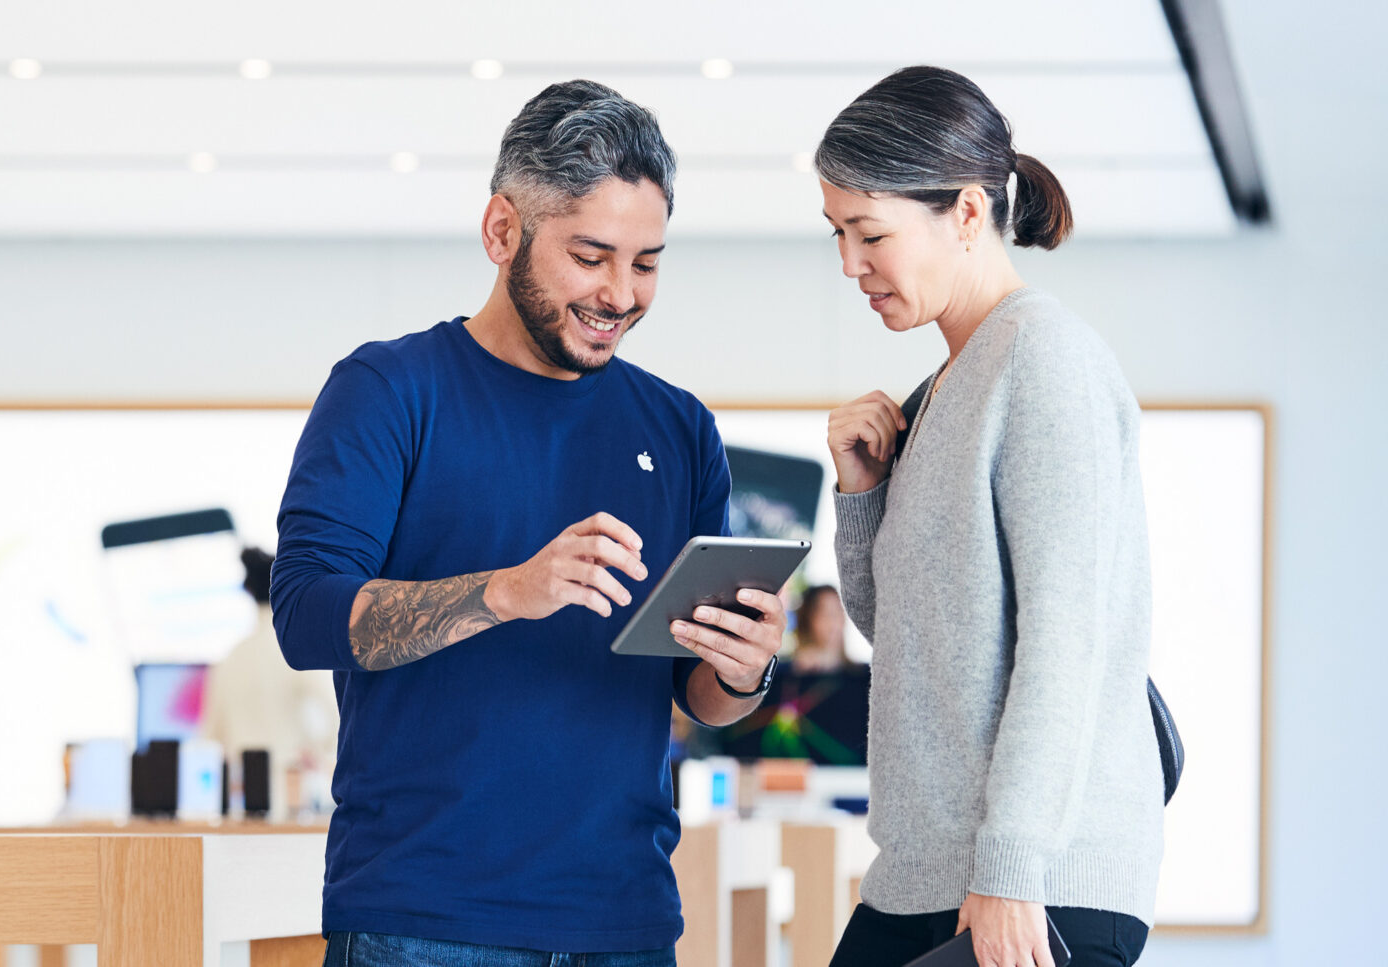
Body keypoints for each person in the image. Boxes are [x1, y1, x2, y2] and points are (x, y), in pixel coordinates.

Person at [272, 80, 784, 966]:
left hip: (624, 919)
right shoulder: (389, 392)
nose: (620, 294)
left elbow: (693, 694)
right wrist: (507, 591)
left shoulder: (680, 428)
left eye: (647, 261)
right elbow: (308, 614)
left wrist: (743, 671)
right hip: (422, 918)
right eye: (592, 255)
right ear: (502, 231)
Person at [816, 66, 1160, 967]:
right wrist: (861, 497)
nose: (850, 264)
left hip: (1032, 881)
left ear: (968, 213)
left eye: (870, 232)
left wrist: (1012, 869)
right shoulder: (939, 390)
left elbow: (1067, 640)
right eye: (838, 233)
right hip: (923, 877)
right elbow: (910, 639)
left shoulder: (1043, 359)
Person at [201, 548, 339, 784]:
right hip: (292, 793)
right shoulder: (297, 648)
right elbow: (338, 712)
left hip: (243, 797)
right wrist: (316, 752)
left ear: (249, 591)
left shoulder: (230, 659)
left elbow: (210, 738)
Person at [719, 585, 870, 765]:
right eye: (824, 613)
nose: (833, 622)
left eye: (838, 612)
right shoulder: (780, 676)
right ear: (808, 619)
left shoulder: (862, 679)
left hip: (846, 779)